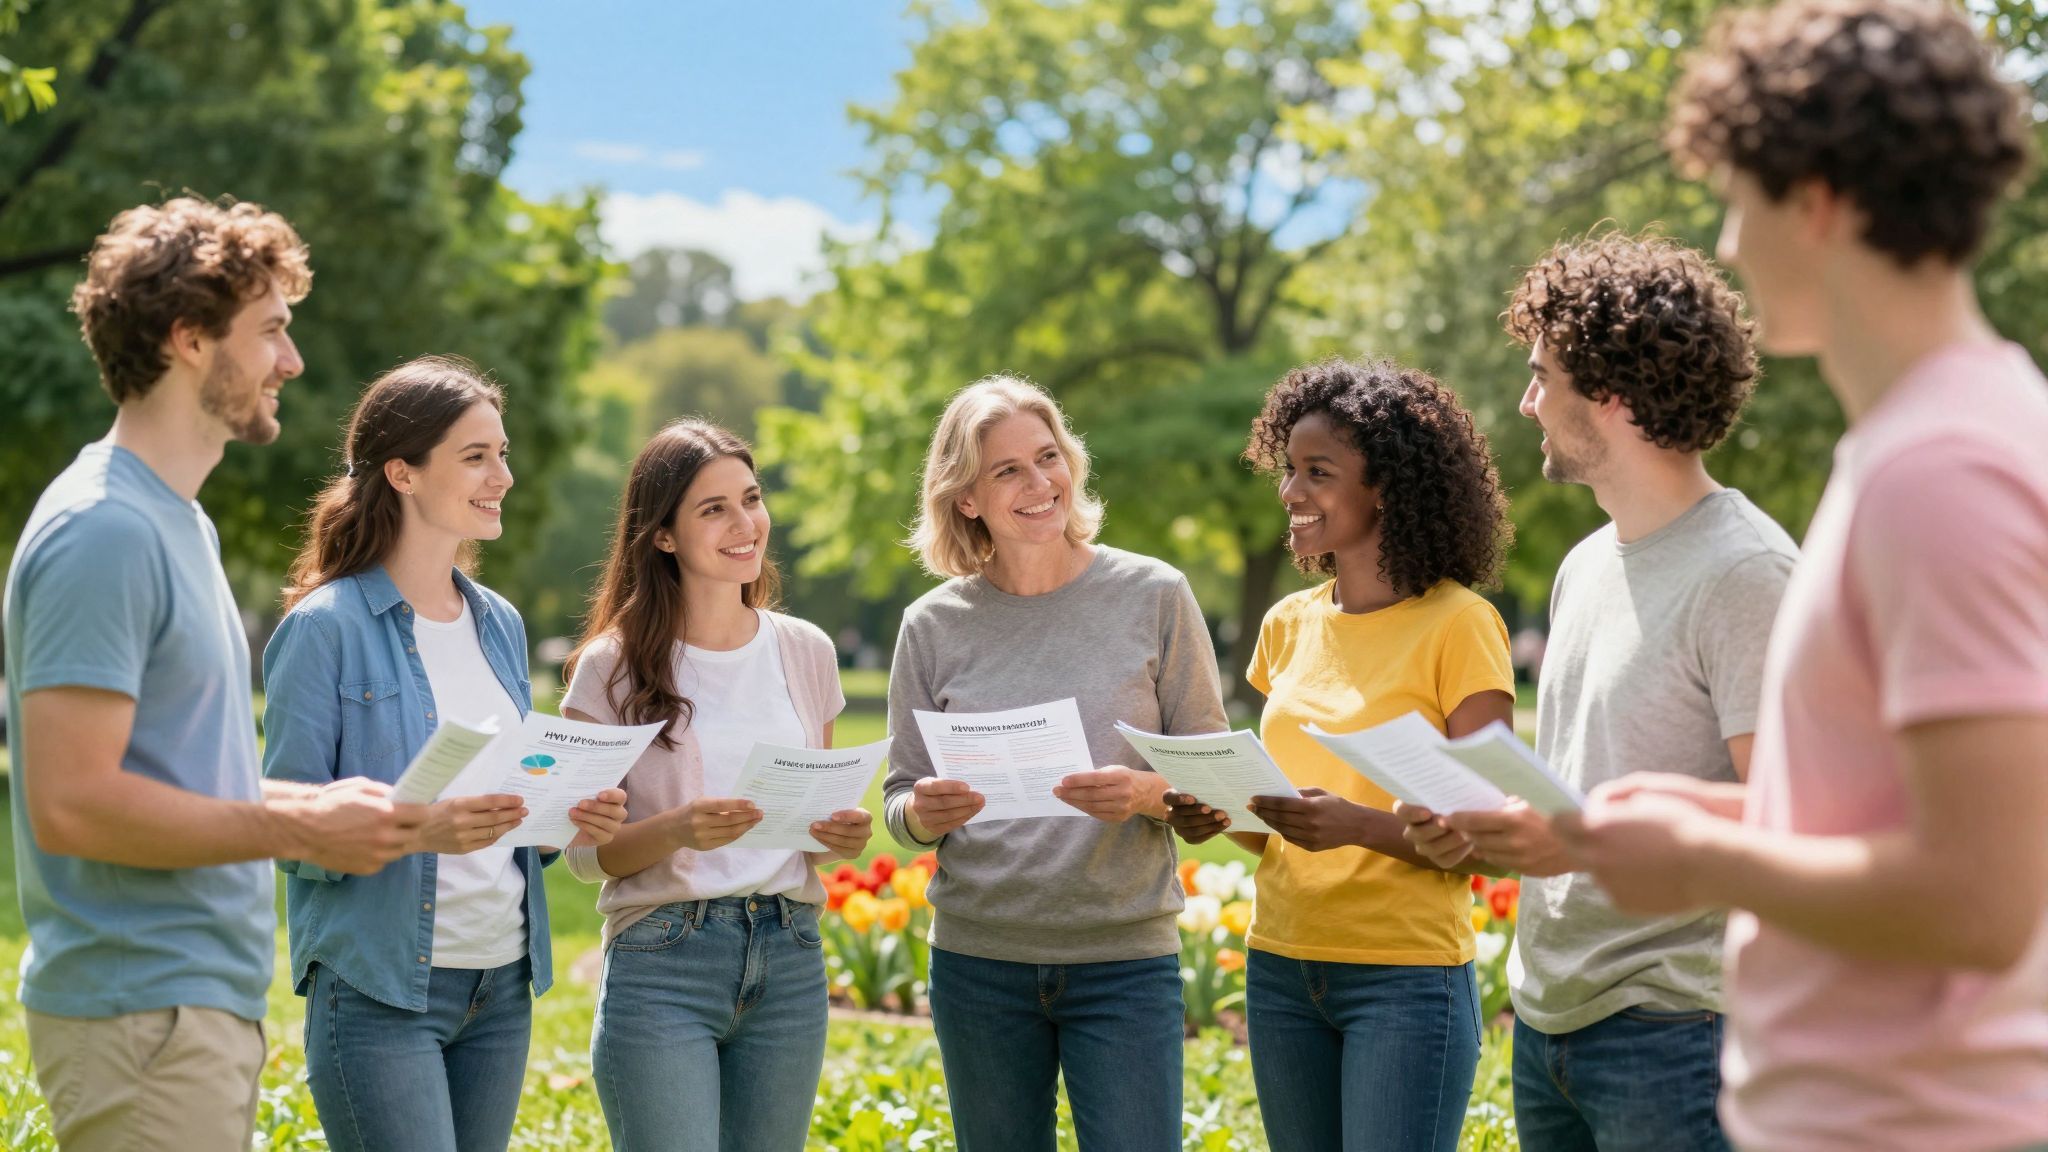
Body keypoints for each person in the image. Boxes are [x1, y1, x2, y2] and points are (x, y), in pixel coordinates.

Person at [1560, 4, 2048, 1150]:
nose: (1728, 245)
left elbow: (1979, 896)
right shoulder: (1943, 435)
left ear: (1815, 202)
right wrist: (1721, 810)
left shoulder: (1939, 473)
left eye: (1739, 199)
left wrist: (1700, 857)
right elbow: (1910, 814)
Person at [3, 198, 421, 1152]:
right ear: (189, 339)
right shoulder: (103, 530)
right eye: (271, 331)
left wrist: (337, 812)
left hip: (189, 1012)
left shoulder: (177, 522)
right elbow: (72, 803)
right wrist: (293, 822)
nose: (293, 362)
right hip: (142, 1014)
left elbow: (170, 771)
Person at [1400, 232, 1795, 1152]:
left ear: (1611, 396)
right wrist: (1487, 821)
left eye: (1542, 376)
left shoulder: (1748, 573)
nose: (1527, 402)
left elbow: (1793, 816)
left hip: (1677, 1032)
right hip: (1549, 1022)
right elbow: (1587, 778)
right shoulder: (1585, 564)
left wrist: (1576, 835)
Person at [261, 356, 627, 1152]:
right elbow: (282, 828)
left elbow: (513, 800)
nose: (504, 474)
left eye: (502, 452)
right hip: (381, 991)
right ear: (402, 471)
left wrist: (565, 810)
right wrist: (419, 830)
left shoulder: (498, 621)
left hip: (500, 989)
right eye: (476, 456)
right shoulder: (324, 629)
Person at [1157, 358, 1515, 1152]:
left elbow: (1485, 833)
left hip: (1406, 979)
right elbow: (1274, 830)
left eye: (1318, 472)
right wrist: (1217, 813)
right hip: (1283, 968)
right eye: (1289, 470)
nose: (1292, 492)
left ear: (1386, 486)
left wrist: (1357, 826)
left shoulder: (1460, 624)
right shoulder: (1287, 624)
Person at [883, 375, 1227, 1152]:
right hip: (979, 964)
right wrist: (919, 814)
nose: (1041, 485)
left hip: (1123, 961)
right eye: (1007, 471)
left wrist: (1146, 793)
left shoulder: (1155, 594)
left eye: (1048, 458)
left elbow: (1213, 779)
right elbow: (898, 799)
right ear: (966, 497)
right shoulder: (931, 626)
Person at [560, 419, 873, 1152]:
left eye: (752, 499)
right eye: (714, 509)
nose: (746, 524)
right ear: (662, 534)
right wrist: (677, 830)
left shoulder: (806, 651)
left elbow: (810, 837)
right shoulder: (610, 667)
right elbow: (581, 856)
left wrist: (838, 836)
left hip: (790, 955)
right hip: (664, 959)